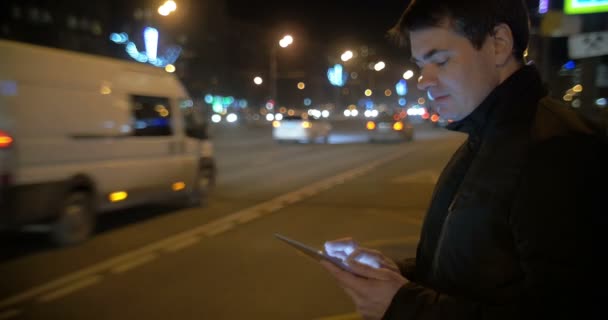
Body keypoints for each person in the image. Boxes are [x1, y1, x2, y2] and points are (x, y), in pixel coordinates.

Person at [320, 0, 607, 319]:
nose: (423, 80)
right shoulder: (486, 139)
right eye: (420, 66)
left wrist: (404, 305)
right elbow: (479, 270)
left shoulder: (559, 149)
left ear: (499, 45)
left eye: (440, 61)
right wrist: (398, 278)